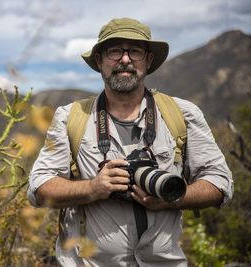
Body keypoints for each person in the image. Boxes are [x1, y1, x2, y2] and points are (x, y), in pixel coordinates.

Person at [27, 17, 233, 266]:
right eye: (114, 51)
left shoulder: (182, 114)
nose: (125, 59)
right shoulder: (71, 117)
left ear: (147, 60)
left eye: (134, 51)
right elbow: (38, 189)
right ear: (100, 60)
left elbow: (220, 182)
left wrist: (174, 196)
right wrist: (93, 188)